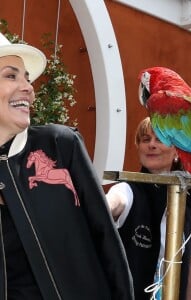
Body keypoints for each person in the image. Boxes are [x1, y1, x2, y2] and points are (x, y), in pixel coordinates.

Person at [0, 32, 133, 299]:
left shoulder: (60, 144)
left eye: (27, 77)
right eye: (10, 75)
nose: (28, 87)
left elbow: (105, 238)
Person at [106, 117, 191, 300]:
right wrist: (101, 205)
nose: (151, 145)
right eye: (145, 139)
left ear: (177, 151)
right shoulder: (128, 189)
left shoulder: (188, 201)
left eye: (160, 139)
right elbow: (114, 201)